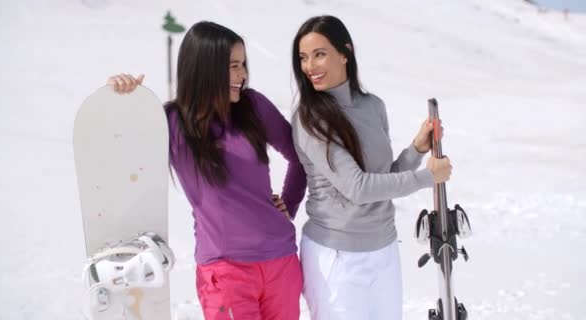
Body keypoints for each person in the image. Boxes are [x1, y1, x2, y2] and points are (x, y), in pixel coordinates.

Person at [108, 21, 306, 320]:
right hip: (225, 272)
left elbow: (301, 158)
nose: (242, 75)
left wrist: (289, 203)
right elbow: (127, 160)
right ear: (205, 68)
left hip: (281, 262)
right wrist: (124, 103)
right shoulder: (172, 122)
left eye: (243, 65)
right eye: (233, 66)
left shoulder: (253, 106)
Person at [290, 15, 452, 319]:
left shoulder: (373, 106)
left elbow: (383, 180)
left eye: (319, 54)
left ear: (344, 53)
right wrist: (427, 177)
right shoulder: (311, 118)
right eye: (303, 58)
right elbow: (358, 188)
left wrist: (416, 149)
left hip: (384, 250)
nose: (310, 66)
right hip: (336, 257)